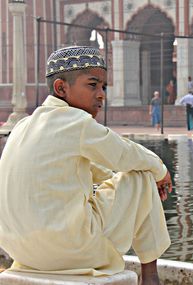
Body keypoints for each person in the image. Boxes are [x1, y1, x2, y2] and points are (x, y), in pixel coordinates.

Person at [0, 46, 172, 284]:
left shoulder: (23, 126)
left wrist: (136, 186)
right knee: (142, 173)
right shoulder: (76, 122)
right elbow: (127, 154)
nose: (101, 94)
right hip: (69, 251)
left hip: (21, 253)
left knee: (138, 172)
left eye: (103, 87)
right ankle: (151, 276)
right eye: (93, 85)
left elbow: (96, 169)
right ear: (61, 88)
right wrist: (160, 172)